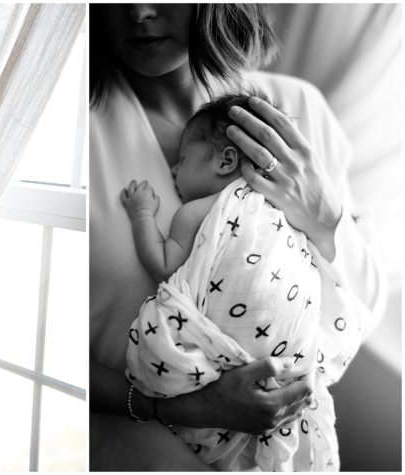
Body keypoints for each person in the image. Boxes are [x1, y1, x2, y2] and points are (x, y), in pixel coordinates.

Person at [89, 4, 384, 470]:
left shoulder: (300, 111)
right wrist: (176, 407)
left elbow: (362, 308)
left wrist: (325, 217)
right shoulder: (77, 137)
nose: (139, 12)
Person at [119, 93, 360, 470]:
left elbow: (164, 265)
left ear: (226, 160)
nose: (172, 173)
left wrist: (141, 214)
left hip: (228, 354)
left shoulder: (199, 211)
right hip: (291, 362)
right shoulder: (284, 210)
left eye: (181, 160)